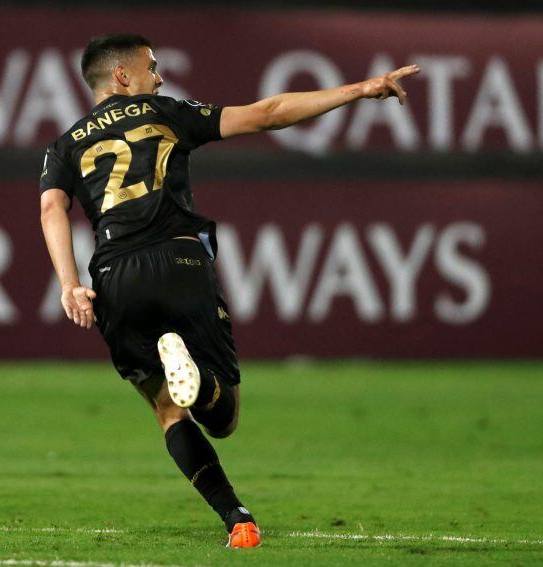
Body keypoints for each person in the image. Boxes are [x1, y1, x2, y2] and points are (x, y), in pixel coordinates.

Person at [39, 33, 418, 548]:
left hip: (113, 276)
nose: (161, 75)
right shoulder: (164, 111)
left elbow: (50, 209)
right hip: (179, 258)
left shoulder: (64, 145)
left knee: (168, 410)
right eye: (152, 66)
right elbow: (269, 112)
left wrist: (69, 284)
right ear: (123, 77)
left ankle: (236, 516)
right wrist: (361, 89)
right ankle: (200, 380)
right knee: (224, 416)